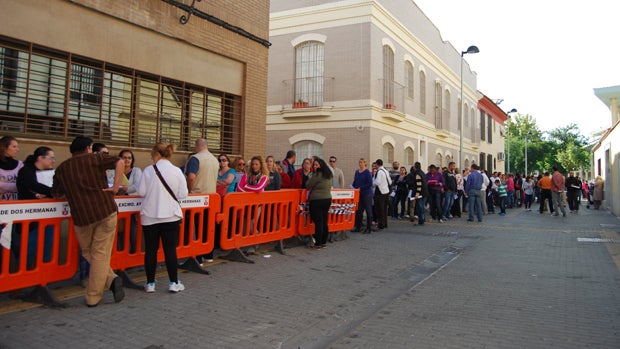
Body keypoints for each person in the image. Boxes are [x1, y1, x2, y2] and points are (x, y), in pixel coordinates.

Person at [52, 136, 125, 307]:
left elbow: (56, 192)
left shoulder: (62, 168)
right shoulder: (95, 158)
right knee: (99, 253)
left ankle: (108, 283)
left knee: (88, 252)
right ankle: (96, 293)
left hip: (82, 216)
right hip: (105, 210)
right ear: (88, 148)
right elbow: (120, 162)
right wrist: (115, 186)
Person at [137, 142, 188, 293]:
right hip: (171, 215)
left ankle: (150, 283)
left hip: (150, 216)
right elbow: (183, 194)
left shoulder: (148, 170)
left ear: (156, 154)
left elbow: (141, 192)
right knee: (170, 250)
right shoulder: (176, 171)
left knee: (151, 251)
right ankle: (173, 282)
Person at [16, 146, 56, 267]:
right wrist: (51, 192)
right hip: (30, 218)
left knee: (47, 250)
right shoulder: (26, 171)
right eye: (51, 158)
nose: (53, 160)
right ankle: (23, 281)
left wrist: (51, 192)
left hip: (49, 216)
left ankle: (43, 282)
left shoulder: (51, 173)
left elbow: (56, 188)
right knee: (28, 251)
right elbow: (33, 186)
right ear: (40, 158)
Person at [306, 158, 333, 248]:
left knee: (318, 222)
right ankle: (323, 242)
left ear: (321, 165)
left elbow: (308, 185)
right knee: (324, 221)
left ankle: (317, 243)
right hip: (327, 199)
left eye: (316, 165)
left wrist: (309, 177)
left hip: (317, 200)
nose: (315, 166)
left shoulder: (317, 174)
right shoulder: (329, 174)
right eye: (314, 165)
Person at [351, 158, 373, 233]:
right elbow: (355, 181)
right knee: (359, 211)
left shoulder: (367, 172)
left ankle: (369, 228)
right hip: (358, 194)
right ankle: (358, 227)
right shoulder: (357, 172)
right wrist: (353, 187)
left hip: (366, 194)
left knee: (368, 210)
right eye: (359, 162)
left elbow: (370, 183)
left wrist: (361, 188)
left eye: (361, 162)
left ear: (365, 163)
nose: (360, 164)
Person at [0, 135, 23, 200]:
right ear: (4, 148)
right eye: (14, 147)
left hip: (16, 206)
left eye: (17, 147)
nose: (17, 149)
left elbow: (25, 185)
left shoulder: (20, 165)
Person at [373, 159, 391, 230]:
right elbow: (389, 181)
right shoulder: (385, 171)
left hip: (380, 192)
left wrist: (372, 184)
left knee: (379, 209)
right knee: (384, 209)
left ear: (377, 164)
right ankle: (385, 223)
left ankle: (380, 224)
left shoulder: (379, 172)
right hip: (386, 191)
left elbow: (377, 182)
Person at [408, 162, 428, 226]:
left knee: (420, 207)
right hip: (424, 192)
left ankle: (421, 221)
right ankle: (423, 219)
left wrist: (417, 194)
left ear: (415, 167)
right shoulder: (422, 173)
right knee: (422, 207)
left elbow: (419, 185)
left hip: (420, 193)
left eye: (413, 166)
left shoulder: (417, 174)